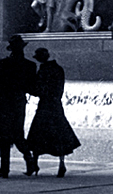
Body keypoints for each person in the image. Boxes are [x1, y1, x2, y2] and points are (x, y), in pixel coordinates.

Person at [0, 35, 37, 178]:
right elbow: (32, 87)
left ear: (10, 49)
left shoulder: (2, 64)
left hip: (3, 103)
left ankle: (4, 169)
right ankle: (30, 161)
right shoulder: (30, 65)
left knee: (3, 137)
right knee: (18, 134)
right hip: (18, 102)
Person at [26, 48, 80, 178]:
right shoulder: (58, 69)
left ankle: (35, 163)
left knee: (38, 134)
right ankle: (61, 164)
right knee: (59, 134)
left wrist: (29, 89)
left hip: (44, 105)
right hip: (56, 105)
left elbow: (38, 89)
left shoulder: (43, 70)